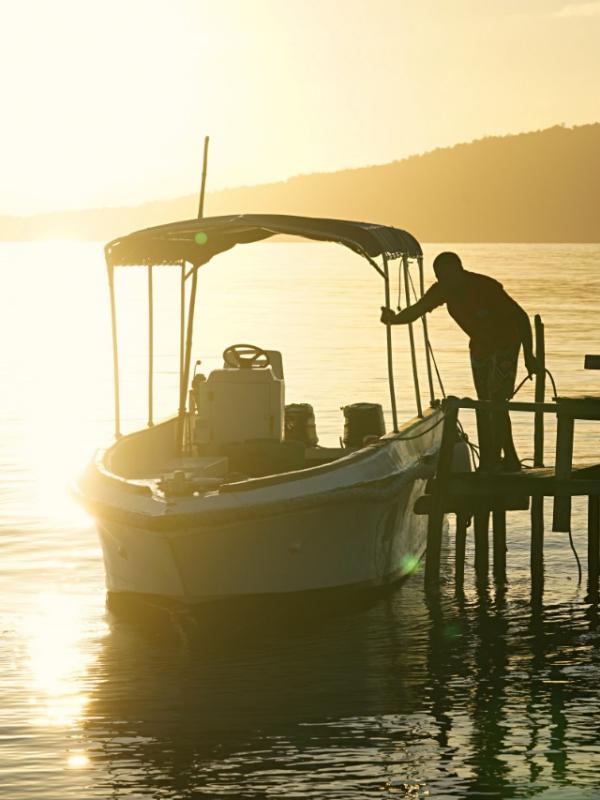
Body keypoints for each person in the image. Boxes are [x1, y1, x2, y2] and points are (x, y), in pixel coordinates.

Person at [380, 251, 538, 472]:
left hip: (505, 345)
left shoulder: (485, 287)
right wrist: (393, 320)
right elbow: (416, 311)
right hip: (481, 349)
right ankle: (499, 459)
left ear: (460, 271)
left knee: (497, 403)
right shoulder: (443, 290)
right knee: (486, 405)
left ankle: (502, 459)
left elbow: (521, 317)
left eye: (449, 276)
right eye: (441, 278)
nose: (446, 282)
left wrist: (530, 356)